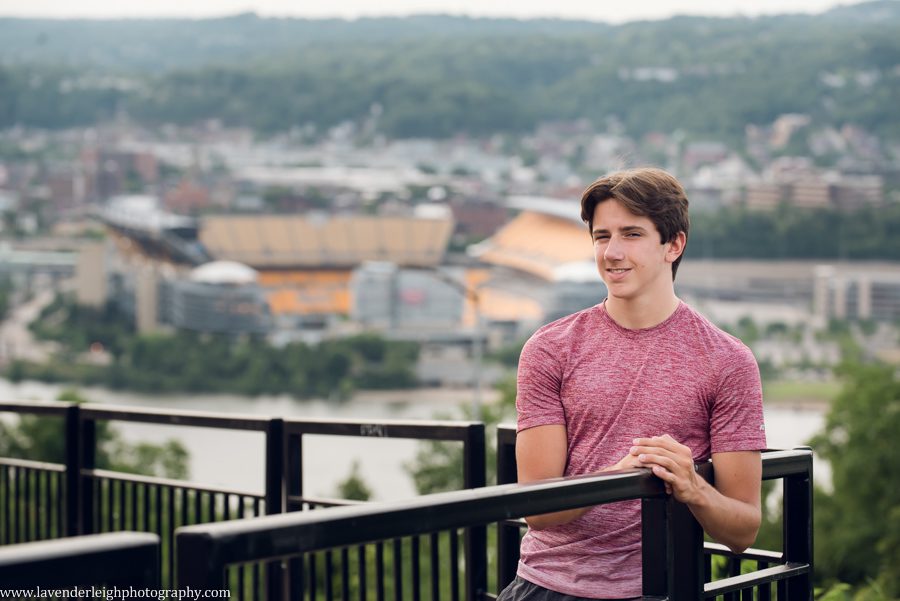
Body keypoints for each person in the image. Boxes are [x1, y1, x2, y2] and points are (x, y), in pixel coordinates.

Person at [502, 167, 767, 601]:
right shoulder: (549, 348)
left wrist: (693, 486)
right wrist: (620, 476)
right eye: (602, 236)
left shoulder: (728, 361)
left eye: (631, 234)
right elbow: (537, 509)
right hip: (548, 586)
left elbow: (743, 528)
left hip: (661, 589)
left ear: (674, 244)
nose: (612, 252)